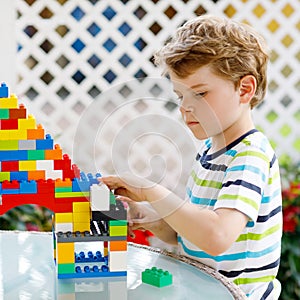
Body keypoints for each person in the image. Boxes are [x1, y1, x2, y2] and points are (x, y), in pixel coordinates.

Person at [100, 15, 282, 299]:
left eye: (200, 93)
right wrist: (144, 216)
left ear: (244, 89)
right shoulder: (211, 152)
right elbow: (188, 236)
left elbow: (216, 237)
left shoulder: (249, 156)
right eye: (180, 96)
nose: (185, 108)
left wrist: (152, 191)